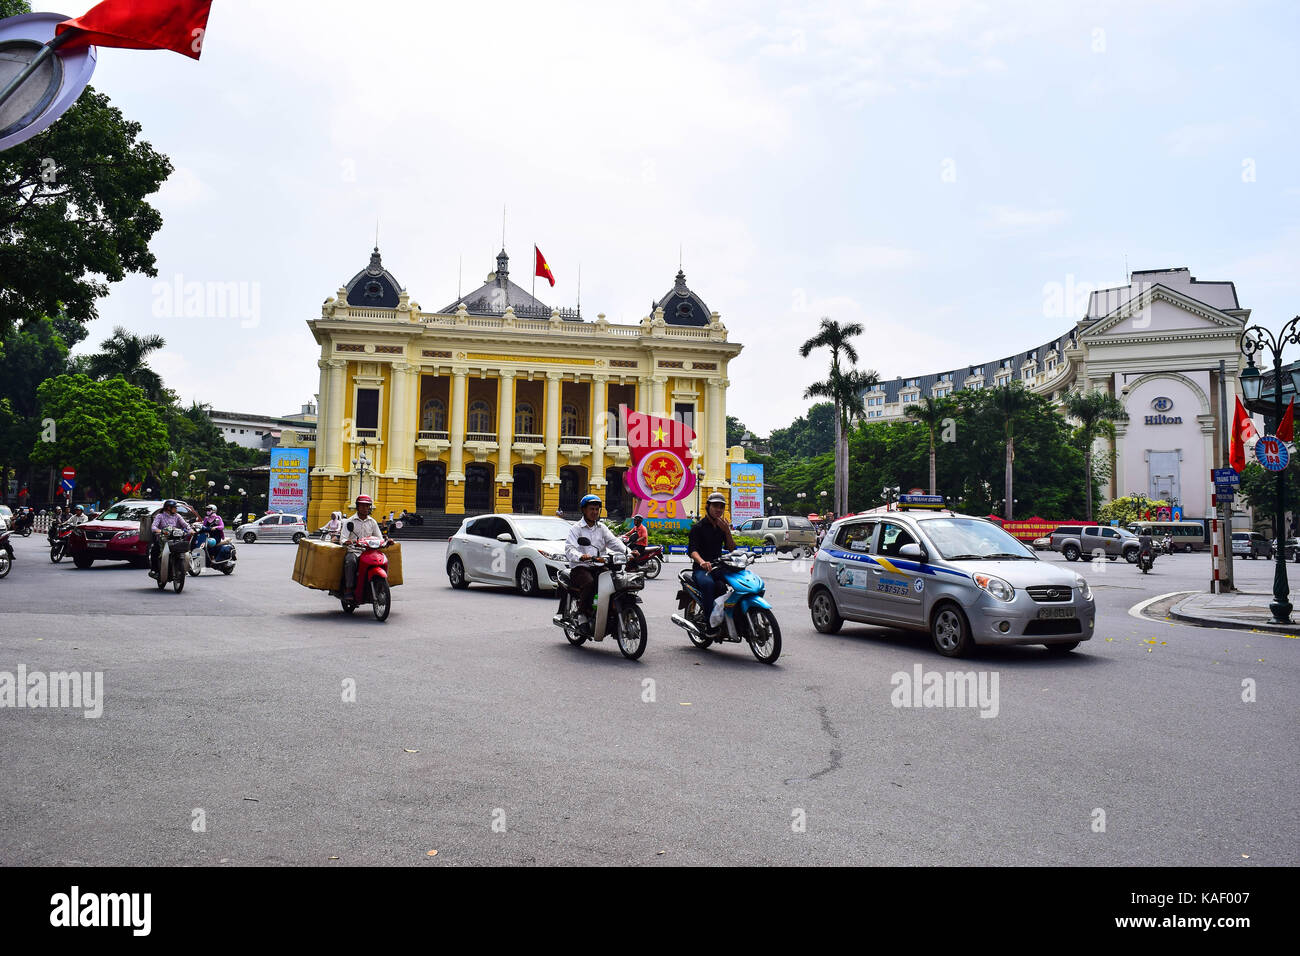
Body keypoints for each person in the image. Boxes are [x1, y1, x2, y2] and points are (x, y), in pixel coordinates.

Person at [563, 494, 627, 625]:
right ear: (584, 510)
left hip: (599, 566)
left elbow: (614, 542)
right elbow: (570, 549)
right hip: (580, 567)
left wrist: (629, 552)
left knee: (616, 582)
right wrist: (581, 556)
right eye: (591, 509)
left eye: (597, 509)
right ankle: (581, 613)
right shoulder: (576, 529)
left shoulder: (602, 528)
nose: (594, 512)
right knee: (589, 583)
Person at [689, 492, 738, 637]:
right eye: (715, 506)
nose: (719, 509)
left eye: (722, 507)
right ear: (708, 506)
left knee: (736, 583)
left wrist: (727, 532)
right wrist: (702, 562)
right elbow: (692, 550)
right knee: (709, 585)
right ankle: (710, 624)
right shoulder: (698, 527)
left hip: (718, 567)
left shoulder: (722, 527)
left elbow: (731, 549)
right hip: (702, 569)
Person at [342, 494, 388, 595]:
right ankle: (349, 588)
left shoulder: (373, 522)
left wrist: (385, 541)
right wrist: (347, 541)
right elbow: (343, 537)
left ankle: (381, 585)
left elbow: (379, 537)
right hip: (354, 551)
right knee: (350, 561)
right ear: (357, 507)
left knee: (384, 559)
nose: (365, 508)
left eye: (367, 506)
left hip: (369, 552)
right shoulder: (350, 521)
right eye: (362, 506)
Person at [149, 499, 193, 578]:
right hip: (162, 539)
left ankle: (181, 568)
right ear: (168, 508)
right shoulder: (160, 516)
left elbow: (185, 525)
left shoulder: (177, 516)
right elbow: (153, 527)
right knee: (155, 550)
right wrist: (160, 531)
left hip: (176, 538)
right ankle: (154, 570)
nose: (176, 509)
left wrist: (190, 530)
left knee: (183, 550)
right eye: (174, 507)